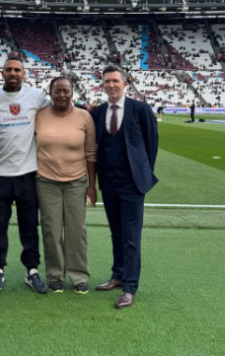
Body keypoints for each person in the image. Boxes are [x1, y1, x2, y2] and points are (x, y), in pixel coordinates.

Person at [90, 66, 159, 309]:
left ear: (124, 83)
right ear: (103, 85)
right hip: (108, 181)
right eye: (107, 81)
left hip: (132, 183)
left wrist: (142, 173)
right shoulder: (98, 112)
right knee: (116, 232)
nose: (111, 85)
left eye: (115, 81)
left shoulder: (140, 109)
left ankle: (130, 287)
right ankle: (117, 275)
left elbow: (151, 143)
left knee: (131, 235)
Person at [0, 57, 51, 294]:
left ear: (24, 73)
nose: (13, 73)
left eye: (17, 70)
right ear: (2, 72)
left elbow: (58, 113)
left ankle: (31, 271)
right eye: (9, 69)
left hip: (27, 174)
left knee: (29, 225)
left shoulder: (36, 97)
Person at [35, 77, 97, 294]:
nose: (61, 95)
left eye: (66, 91)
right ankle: (54, 275)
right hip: (45, 182)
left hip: (76, 182)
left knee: (76, 231)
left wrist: (91, 186)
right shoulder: (39, 116)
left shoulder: (84, 117)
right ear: (50, 92)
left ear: (72, 92)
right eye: (57, 91)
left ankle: (79, 275)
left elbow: (90, 153)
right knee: (51, 230)